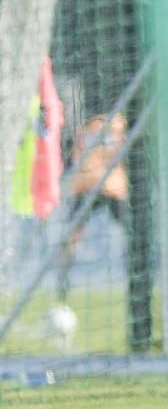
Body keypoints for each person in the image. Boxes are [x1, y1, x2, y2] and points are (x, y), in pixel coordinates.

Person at [57, 113, 128, 303]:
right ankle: (62, 294)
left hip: (104, 187)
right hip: (94, 187)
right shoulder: (117, 123)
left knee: (71, 238)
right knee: (70, 238)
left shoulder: (93, 123)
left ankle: (61, 296)